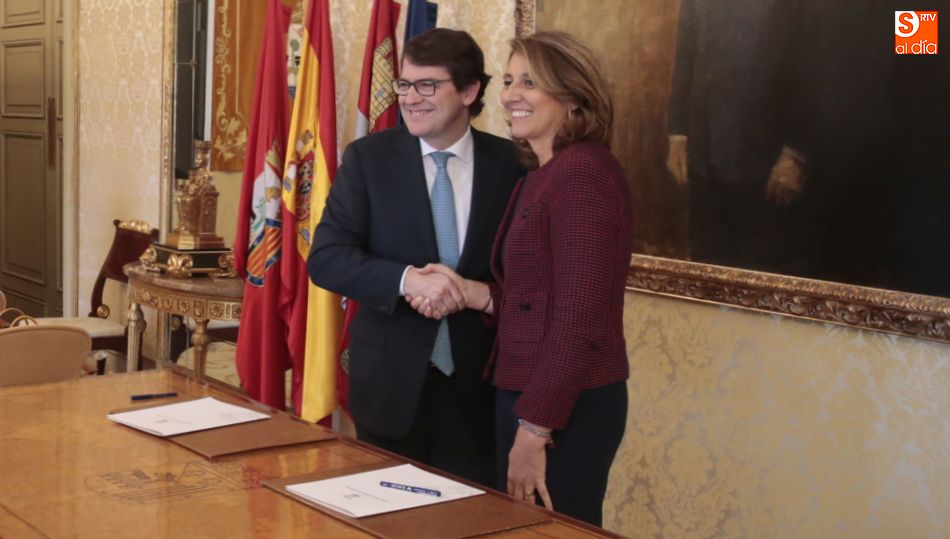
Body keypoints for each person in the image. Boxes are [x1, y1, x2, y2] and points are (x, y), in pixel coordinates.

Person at [410, 31, 632, 526]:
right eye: (508, 80)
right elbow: (538, 301)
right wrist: (475, 295)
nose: (510, 95)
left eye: (530, 82)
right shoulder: (542, 174)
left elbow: (579, 320)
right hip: (532, 395)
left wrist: (534, 431)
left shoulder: (581, 174)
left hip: (562, 408)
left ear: (573, 96)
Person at [307, 28, 523, 487]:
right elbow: (327, 258)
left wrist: (474, 295)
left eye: (428, 85)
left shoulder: (514, 167)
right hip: (389, 387)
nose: (410, 98)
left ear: (469, 91)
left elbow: (530, 278)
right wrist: (408, 280)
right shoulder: (369, 159)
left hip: (481, 392)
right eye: (405, 85)